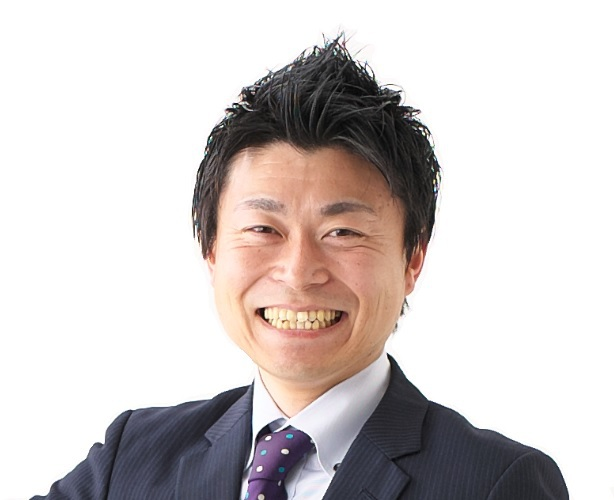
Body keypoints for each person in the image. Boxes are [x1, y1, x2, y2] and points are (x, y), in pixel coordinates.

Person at [32, 37, 568, 499]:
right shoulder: (132, 456)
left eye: (343, 233)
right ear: (211, 249)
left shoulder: (495, 482)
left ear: (413, 259)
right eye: (264, 229)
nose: (298, 270)